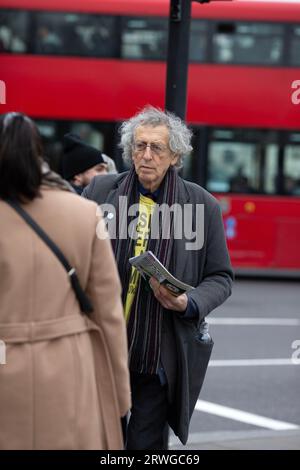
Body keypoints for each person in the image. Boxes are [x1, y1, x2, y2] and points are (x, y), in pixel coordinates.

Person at [83, 106, 233, 450]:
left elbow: (220, 277)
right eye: (139, 146)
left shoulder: (202, 205)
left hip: (157, 358)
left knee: (143, 446)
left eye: (156, 148)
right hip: (103, 351)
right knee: (102, 442)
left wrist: (188, 302)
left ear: (175, 156)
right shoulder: (99, 193)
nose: (146, 155)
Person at [0, 112, 131, 450]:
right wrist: (119, 398)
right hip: (67, 364)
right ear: (40, 154)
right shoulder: (85, 213)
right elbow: (108, 313)